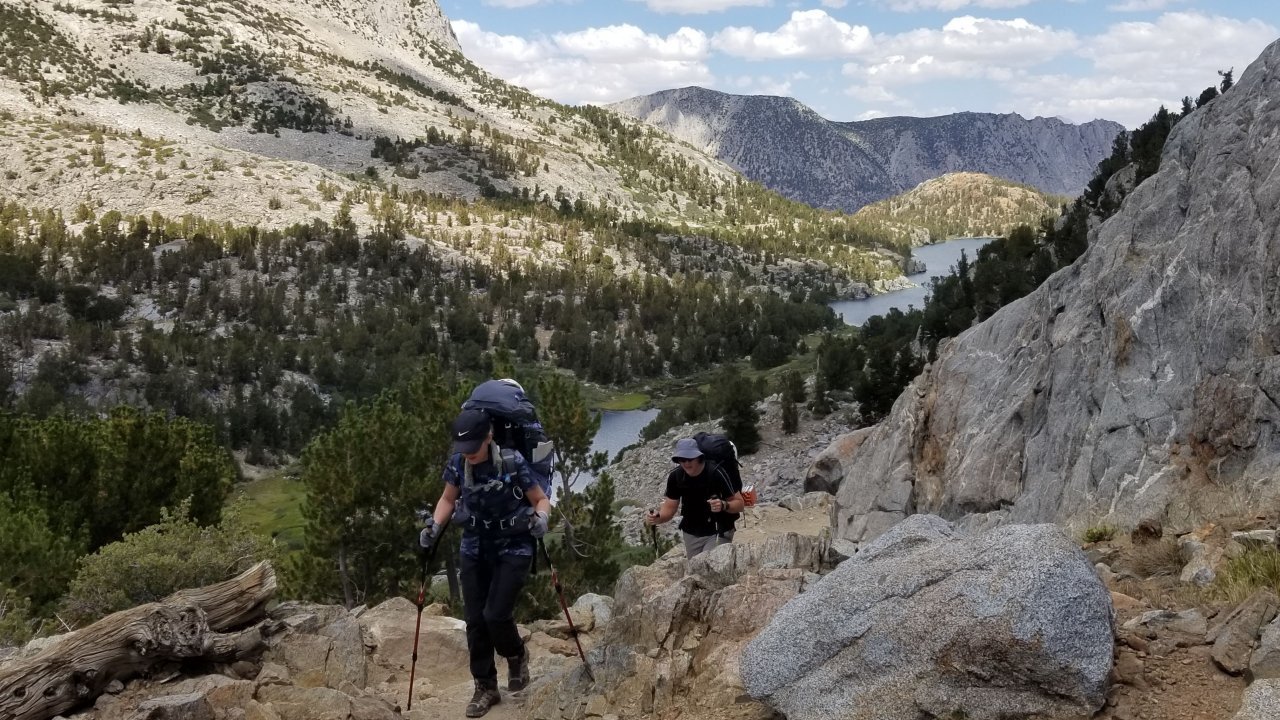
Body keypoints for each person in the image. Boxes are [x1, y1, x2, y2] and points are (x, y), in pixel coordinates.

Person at [420, 408, 551, 718]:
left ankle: (516, 654)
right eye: (462, 449)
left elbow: (540, 499)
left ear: (488, 437)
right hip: (474, 544)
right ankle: (485, 686)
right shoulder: (458, 463)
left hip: (513, 545)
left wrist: (542, 518)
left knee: (496, 614)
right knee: (475, 619)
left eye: (473, 448)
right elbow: (448, 499)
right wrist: (434, 526)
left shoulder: (512, 461)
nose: (468, 455)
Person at [643, 437, 745, 559]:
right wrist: (658, 517)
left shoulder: (716, 473)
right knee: (696, 571)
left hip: (718, 531)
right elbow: (670, 507)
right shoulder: (676, 476)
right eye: (682, 459)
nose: (686, 463)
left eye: (690, 458)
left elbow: (739, 504)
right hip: (691, 533)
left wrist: (724, 505)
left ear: (699, 457)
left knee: (709, 566)